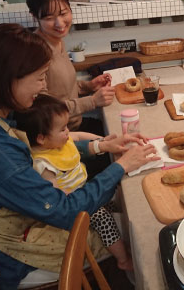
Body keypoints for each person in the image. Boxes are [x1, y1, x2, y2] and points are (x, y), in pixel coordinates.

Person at [0, 23, 158, 289]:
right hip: (11, 256)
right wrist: (120, 167)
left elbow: (48, 151)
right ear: (8, 78)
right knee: (136, 233)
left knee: (124, 207)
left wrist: (102, 146)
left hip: (24, 214)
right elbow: (66, 211)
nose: (42, 87)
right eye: (39, 78)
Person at [14, 94, 134, 271]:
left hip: (84, 190)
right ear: (41, 138)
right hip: (77, 206)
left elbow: (77, 136)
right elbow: (58, 199)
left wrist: (103, 141)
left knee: (119, 200)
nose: (67, 132)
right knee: (103, 218)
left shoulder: (56, 142)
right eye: (63, 129)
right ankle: (122, 259)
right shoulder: (43, 164)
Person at [25, 0, 114, 134]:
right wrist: (92, 101)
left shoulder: (57, 41)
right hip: (59, 136)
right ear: (34, 16)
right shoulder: (36, 53)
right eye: (49, 18)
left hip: (72, 126)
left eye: (63, 13)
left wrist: (88, 86)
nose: (59, 23)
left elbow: (59, 89)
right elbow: (43, 109)